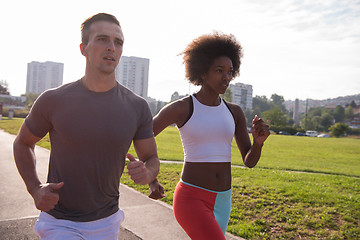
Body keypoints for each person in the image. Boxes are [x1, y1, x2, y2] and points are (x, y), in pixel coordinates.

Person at [13, 13, 160, 239]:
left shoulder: (137, 106)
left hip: (108, 222)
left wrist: (148, 172)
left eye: (118, 42)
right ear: (83, 48)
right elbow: (23, 143)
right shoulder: (53, 100)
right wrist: (34, 188)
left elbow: (151, 157)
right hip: (59, 222)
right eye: (102, 39)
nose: (111, 47)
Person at [151, 32, 270, 239]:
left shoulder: (235, 112)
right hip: (191, 198)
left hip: (224, 199)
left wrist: (258, 144)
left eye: (230, 72)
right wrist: (151, 177)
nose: (226, 77)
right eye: (219, 70)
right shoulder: (182, 108)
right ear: (202, 72)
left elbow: (249, 161)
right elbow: (143, 135)